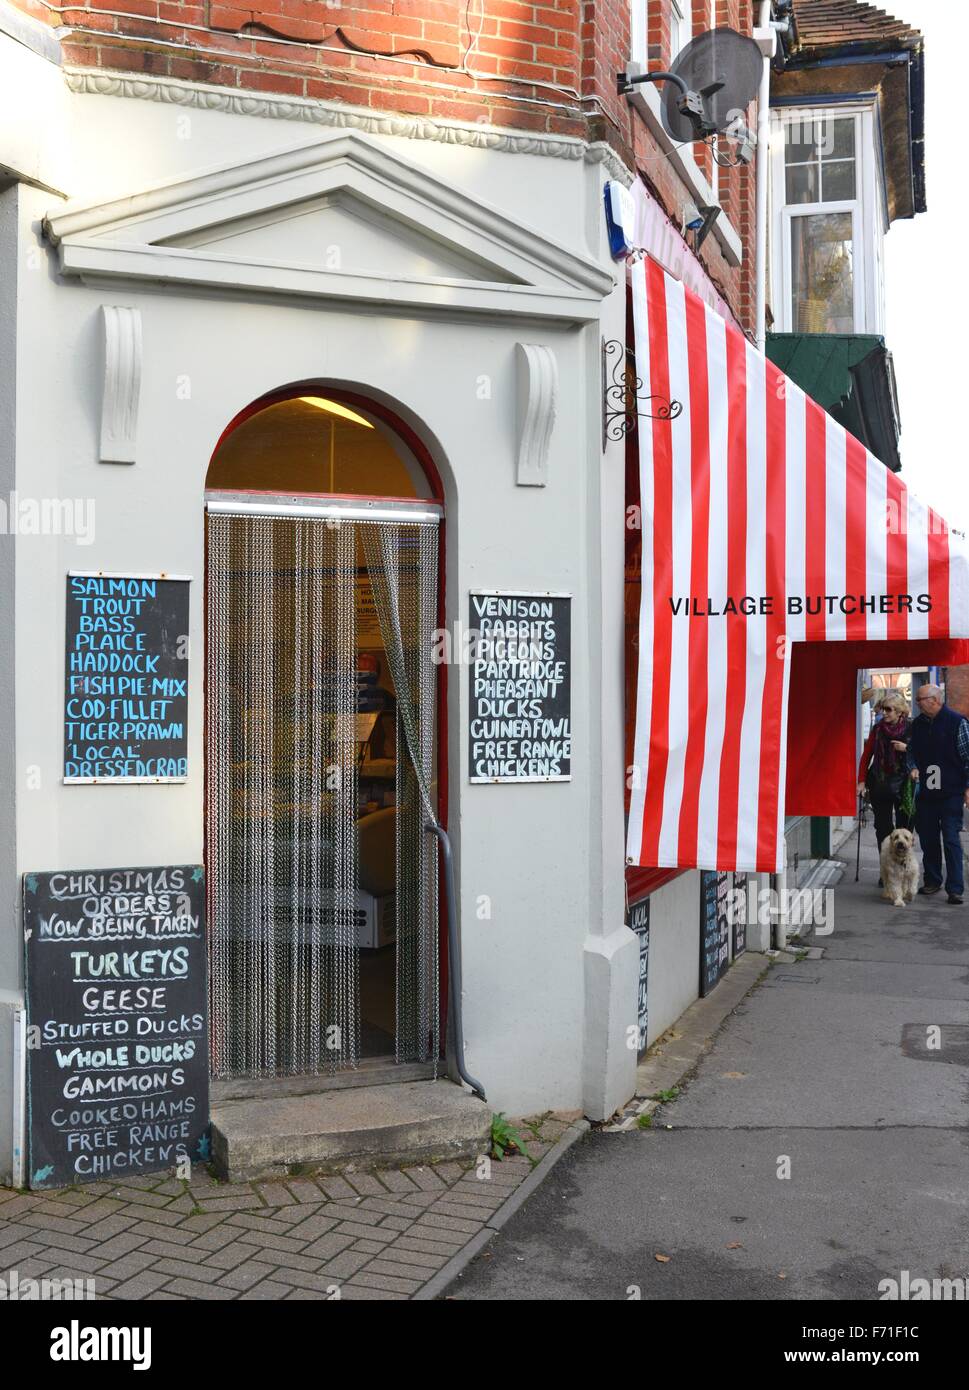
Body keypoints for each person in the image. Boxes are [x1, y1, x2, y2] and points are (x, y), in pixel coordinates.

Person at [906, 684, 969, 905]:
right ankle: (932, 880)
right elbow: (911, 752)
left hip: (951, 792)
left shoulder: (957, 722)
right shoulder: (918, 724)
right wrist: (913, 767)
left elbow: (968, 756)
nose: (917, 703)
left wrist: (968, 787)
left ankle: (955, 889)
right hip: (926, 793)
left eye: (920, 699)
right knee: (928, 838)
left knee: (951, 839)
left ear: (934, 700)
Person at [857, 693, 913, 858]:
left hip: (904, 783)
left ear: (900, 712)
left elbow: (923, 753)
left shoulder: (912, 728)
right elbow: (866, 756)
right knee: (883, 828)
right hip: (880, 781)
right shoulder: (878, 729)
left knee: (905, 828)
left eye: (888, 709)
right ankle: (886, 864)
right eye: (883, 709)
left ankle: (902, 863)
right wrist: (861, 781)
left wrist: (906, 748)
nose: (884, 713)